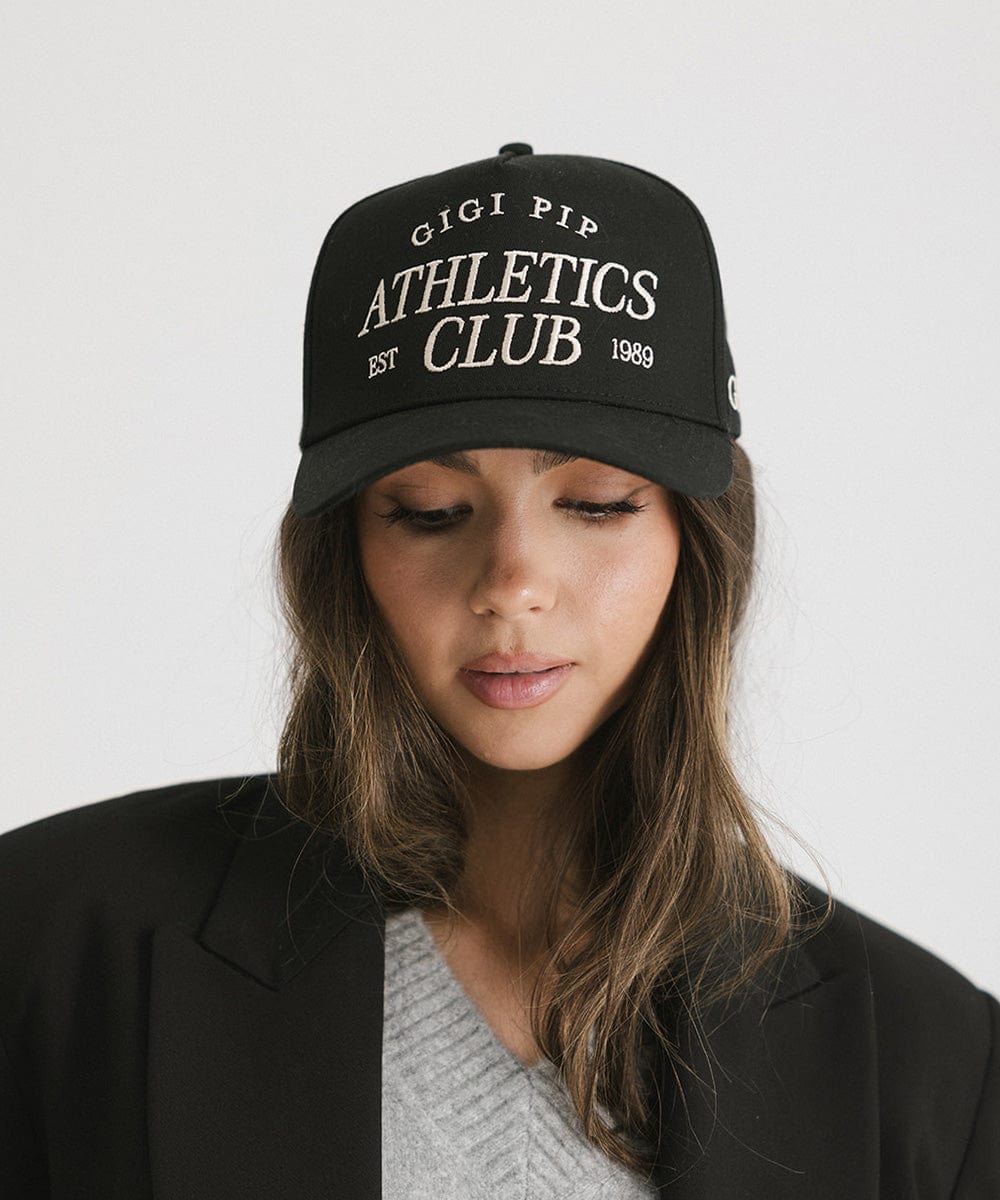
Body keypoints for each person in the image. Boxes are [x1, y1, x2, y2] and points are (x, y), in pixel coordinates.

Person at [0, 144, 996, 1199]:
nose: (512, 583)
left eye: (598, 501)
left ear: (696, 545)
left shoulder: (934, 1071)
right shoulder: (49, 951)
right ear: (343, 548)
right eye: (429, 511)